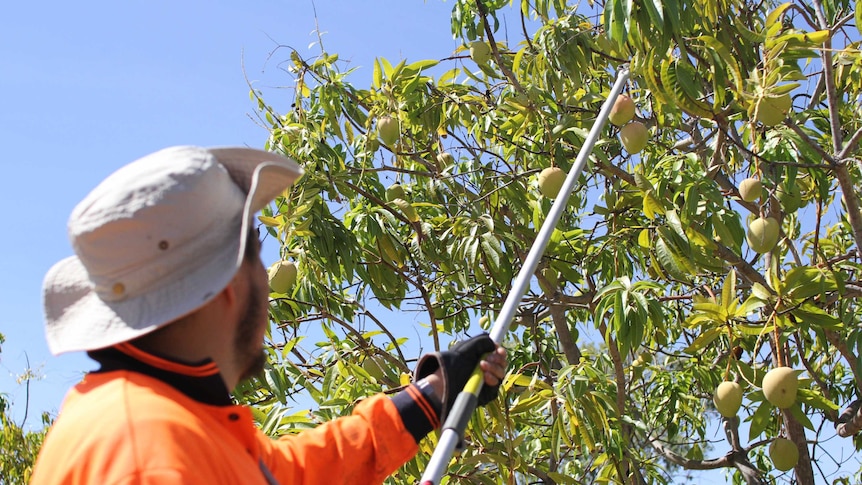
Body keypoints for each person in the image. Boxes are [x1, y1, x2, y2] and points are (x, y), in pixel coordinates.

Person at [30, 146, 507, 484]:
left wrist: (430, 395)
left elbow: (292, 474)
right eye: (257, 251)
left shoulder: (162, 420)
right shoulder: (150, 457)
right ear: (229, 285)